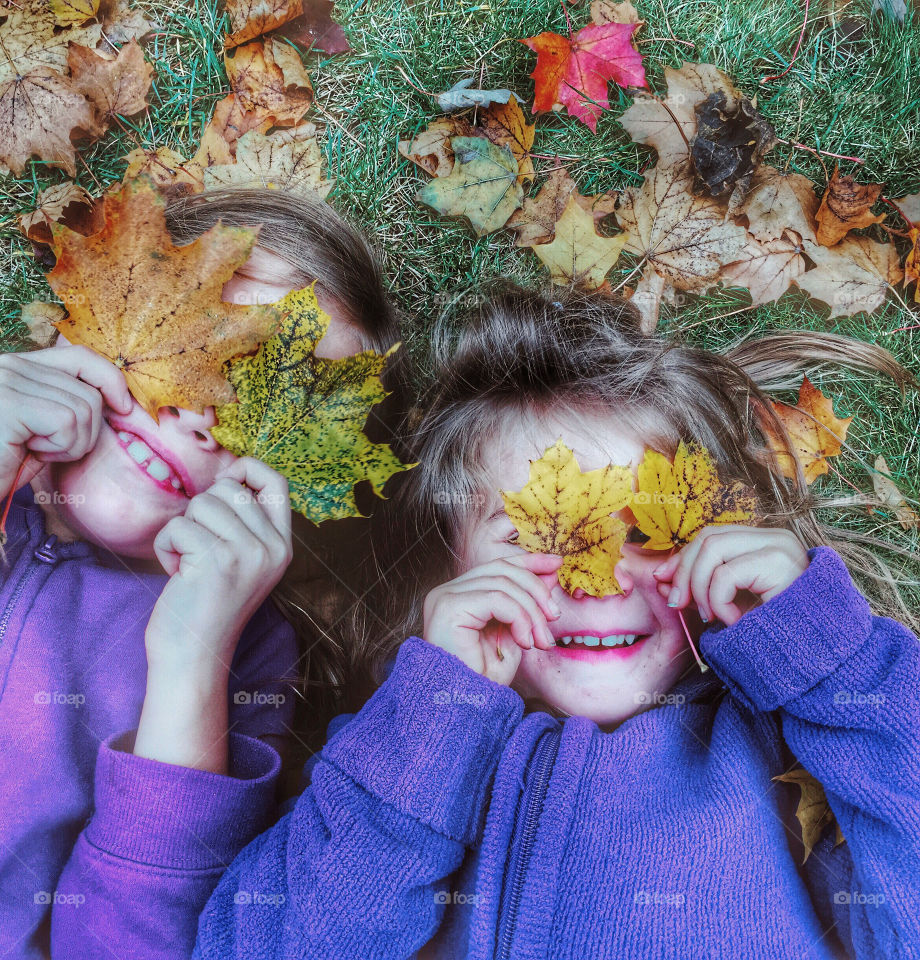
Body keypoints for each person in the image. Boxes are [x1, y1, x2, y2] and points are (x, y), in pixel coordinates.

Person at [191, 282, 920, 959]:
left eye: (643, 533)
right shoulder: (403, 748)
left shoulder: (787, 748)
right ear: (449, 567)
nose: (597, 580)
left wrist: (829, 660)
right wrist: (432, 716)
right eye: (537, 536)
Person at [0, 185, 407, 960]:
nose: (205, 415)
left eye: (274, 411)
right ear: (107, 304)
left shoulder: (243, 659)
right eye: (206, 346)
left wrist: (193, 662)